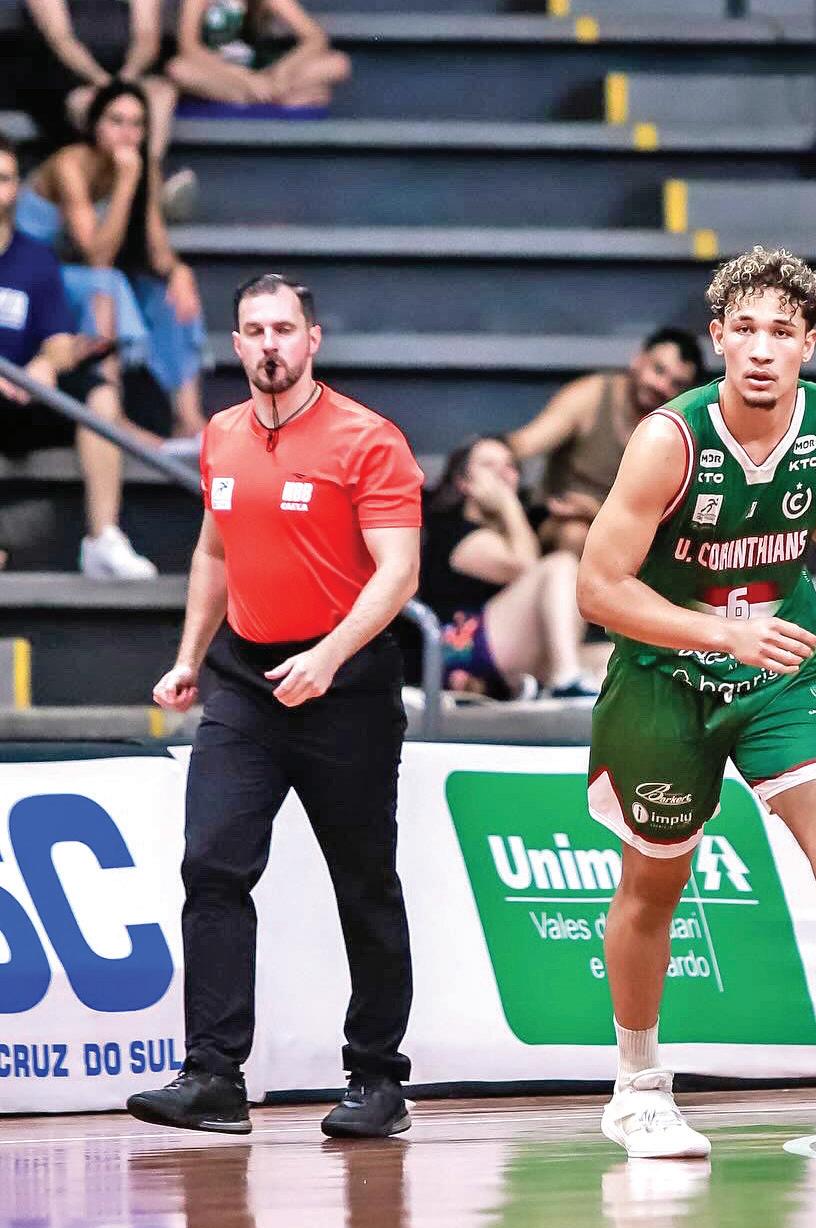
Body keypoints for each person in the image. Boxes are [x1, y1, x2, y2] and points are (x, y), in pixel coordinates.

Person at [577, 246, 816, 1161]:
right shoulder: (669, 441)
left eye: (782, 330)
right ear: (718, 339)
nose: (762, 348)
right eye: (745, 329)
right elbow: (598, 588)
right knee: (654, 884)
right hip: (666, 680)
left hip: (782, 670)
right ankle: (637, 1087)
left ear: (809, 345)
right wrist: (720, 633)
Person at [126, 273, 423, 1139]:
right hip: (246, 681)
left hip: (347, 683)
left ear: (312, 339)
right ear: (236, 343)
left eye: (284, 329)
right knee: (211, 864)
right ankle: (214, 1074)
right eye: (254, 330)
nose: (269, 345)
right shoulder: (221, 435)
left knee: (363, 880)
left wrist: (329, 657)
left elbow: (399, 572)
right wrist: (189, 659)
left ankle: (377, 1078)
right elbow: (214, 551)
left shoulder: (367, 439)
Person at [0, 130, 157, 578]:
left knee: (99, 395)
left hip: (23, 395)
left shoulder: (36, 259)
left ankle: (103, 538)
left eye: (5, 178)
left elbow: (59, 339)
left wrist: (46, 364)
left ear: (17, 187)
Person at [19, 80, 208, 440]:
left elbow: (156, 248)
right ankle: (113, 415)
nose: (127, 133)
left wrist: (178, 271)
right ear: (95, 124)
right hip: (31, 275)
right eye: (116, 121)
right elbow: (97, 255)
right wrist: (125, 182)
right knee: (107, 282)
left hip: (81, 277)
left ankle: (188, 417)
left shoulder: (141, 167)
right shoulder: (70, 164)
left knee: (170, 292)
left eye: (137, 124)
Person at [422, 434, 597, 701]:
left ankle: (560, 680)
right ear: (464, 482)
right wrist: (508, 503)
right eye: (488, 465)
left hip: (509, 650)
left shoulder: (520, 529)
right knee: (560, 564)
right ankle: (564, 680)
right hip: (463, 652)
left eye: (510, 466)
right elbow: (525, 567)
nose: (502, 474)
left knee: (610, 659)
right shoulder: (455, 532)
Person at [510, 327, 702, 557]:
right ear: (638, 359)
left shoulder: (681, 429)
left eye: (677, 384)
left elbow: (666, 519)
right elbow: (526, 442)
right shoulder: (592, 395)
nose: (662, 386)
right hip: (559, 520)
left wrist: (593, 510)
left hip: (632, 535)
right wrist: (495, 453)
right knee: (576, 534)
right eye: (658, 370)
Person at [18, 0, 182, 175]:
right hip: (68, 75)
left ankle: (149, 174)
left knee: (162, 94)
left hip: (129, 73)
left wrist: (125, 79)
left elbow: (147, 39)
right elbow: (61, 40)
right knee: (91, 103)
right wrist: (104, 83)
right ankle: (103, 177)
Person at [167, 0, 352, 112]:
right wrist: (244, 78)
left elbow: (315, 37)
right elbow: (188, 47)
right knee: (178, 69)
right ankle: (281, 100)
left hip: (262, 69)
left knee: (338, 64)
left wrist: (283, 70)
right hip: (221, 73)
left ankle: (262, 96)